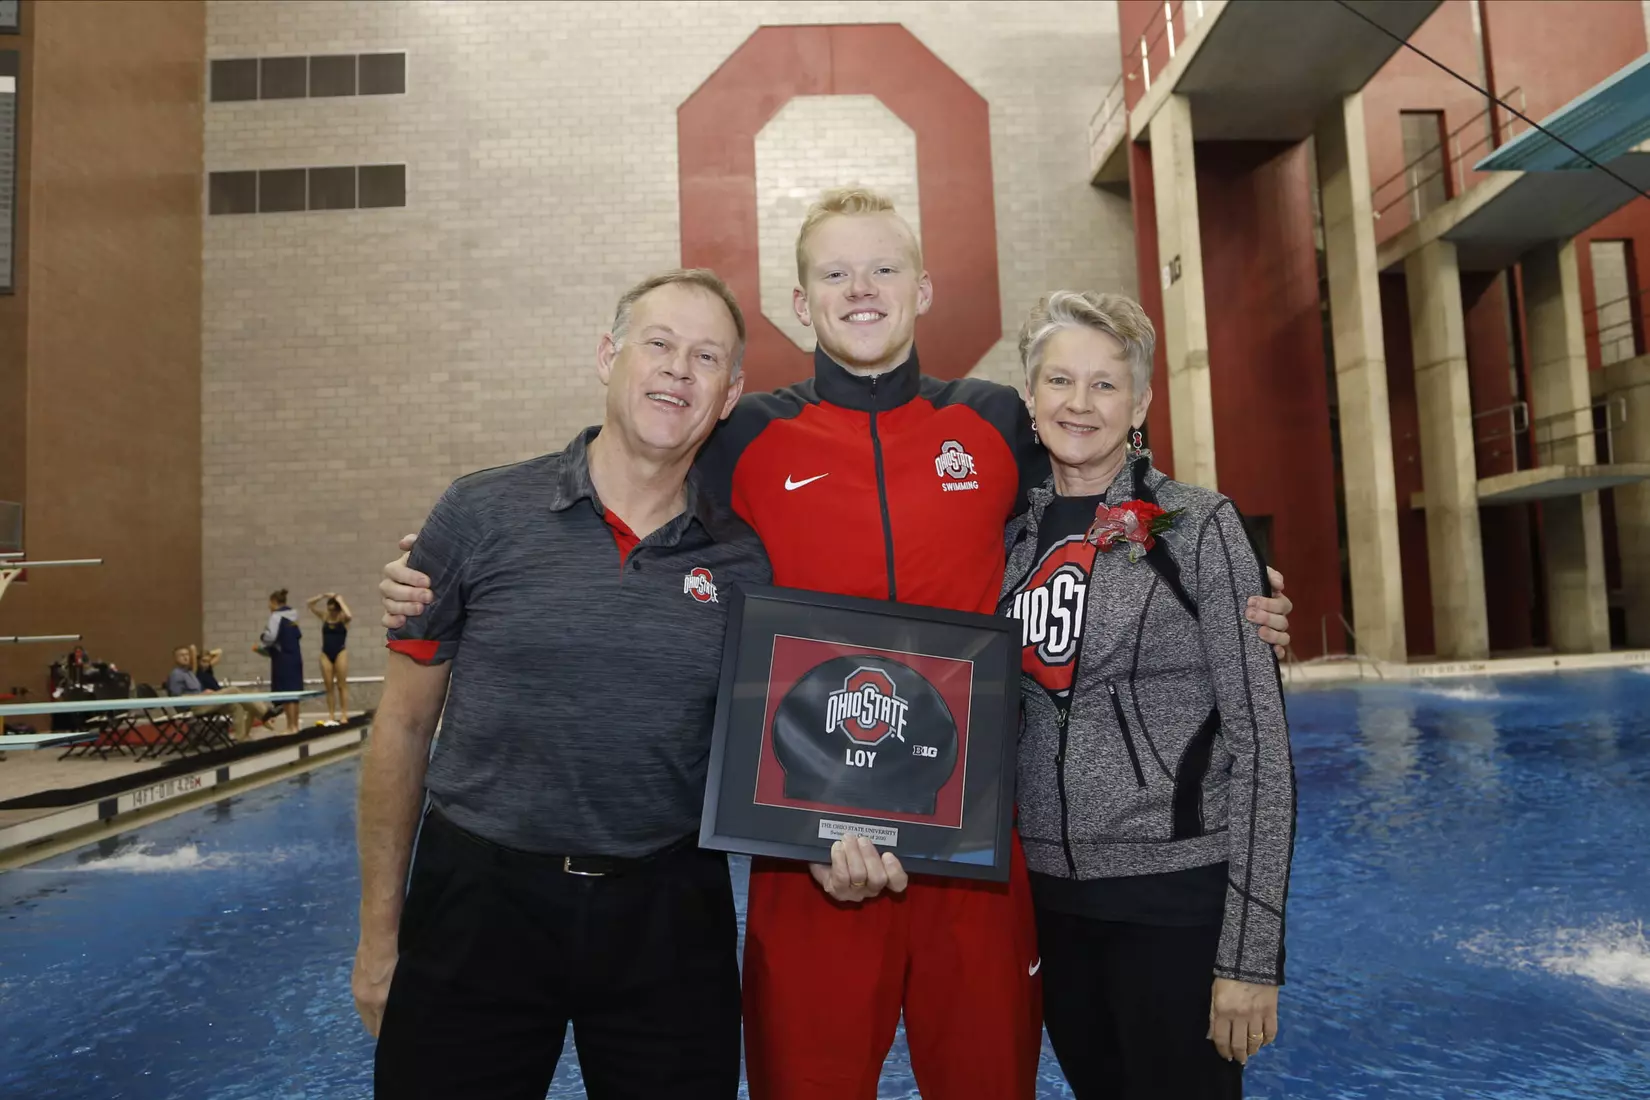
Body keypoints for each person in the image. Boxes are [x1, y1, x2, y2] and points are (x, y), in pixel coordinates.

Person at [381, 188, 1296, 1098]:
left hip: (975, 858)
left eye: (884, 268)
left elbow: (1109, 485)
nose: (862, 289)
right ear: (800, 302)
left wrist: (1236, 582)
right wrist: (446, 563)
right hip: (806, 852)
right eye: (835, 272)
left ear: (924, 290)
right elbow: (630, 470)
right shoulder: (742, 432)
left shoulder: (996, 422)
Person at [354, 269, 773, 1100]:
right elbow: (400, 729)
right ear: (608, 357)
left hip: (668, 911)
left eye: (706, 357)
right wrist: (378, 936)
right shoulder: (478, 514)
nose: (678, 371)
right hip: (478, 902)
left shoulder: (744, 561)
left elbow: (780, 743)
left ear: (729, 395)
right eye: (658, 344)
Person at [1001, 291, 1294, 1099]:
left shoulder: (1195, 526)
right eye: (1060, 381)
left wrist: (1250, 954)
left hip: (1175, 902)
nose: (1079, 403)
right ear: (1031, 399)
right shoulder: (1010, 542)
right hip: (1055, 905)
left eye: (1104, 384)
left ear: (1139, 402)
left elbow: (1263, 748)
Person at [165, 644, 262, 742]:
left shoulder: (190, 673)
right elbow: (177, 698)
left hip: (204, 701)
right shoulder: (176, 674)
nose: (186, 657)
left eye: (187, 655)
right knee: (233, 690)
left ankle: (241, 738)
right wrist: (201, 695)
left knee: (236, 706)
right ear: (175, 659)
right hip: (193, 706)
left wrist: (205, 692)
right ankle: (263, 713)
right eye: (181, 655)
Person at [260, 589, 303, 733]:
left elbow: (271, 637)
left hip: (283, 658)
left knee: (286, 693)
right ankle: (295, 725)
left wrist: (262, 638)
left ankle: (290, 726)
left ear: (274, 602)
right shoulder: (293, 616)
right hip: (295, 657)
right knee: (295, 694)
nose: (268, 606)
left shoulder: (276, 617)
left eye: (269, 603)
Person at [306, 592, 353, 724]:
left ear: (338, 609)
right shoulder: (325, 616)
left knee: (341, 685)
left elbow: (350, 615)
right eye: (329, 609)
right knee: (329, 686)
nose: (331, 612)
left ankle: (344, 714)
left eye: (333, 610)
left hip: (340, 652)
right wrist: (322, 596)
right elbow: (309, 604)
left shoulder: (343, 618)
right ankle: (331, 715)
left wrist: (340, 599)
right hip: (325, 653)